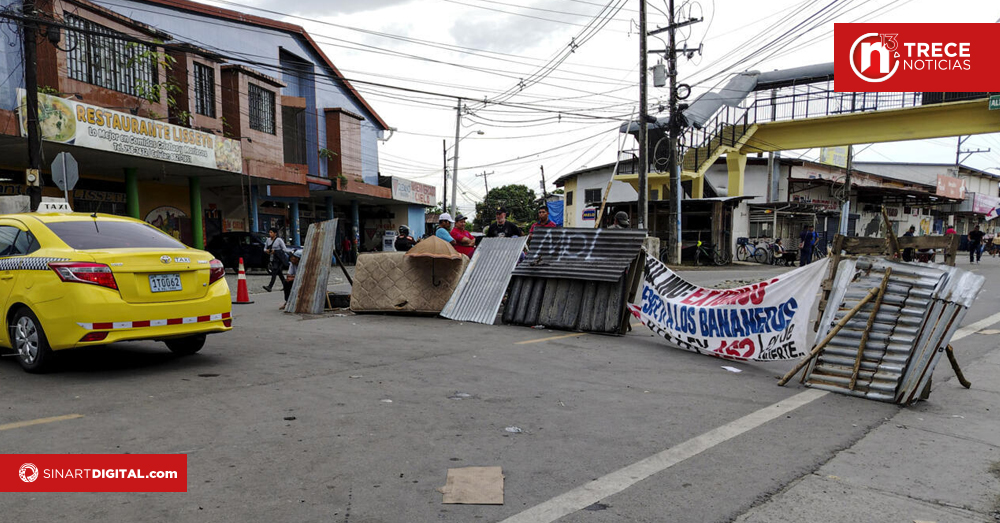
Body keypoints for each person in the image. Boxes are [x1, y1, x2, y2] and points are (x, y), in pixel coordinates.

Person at [263, 227, 287, 292]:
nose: (270, 234)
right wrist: (267, 251)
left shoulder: (279, 240)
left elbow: (285, 249)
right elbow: (264, 248)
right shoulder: (268, 240)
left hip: (279, 259)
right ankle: (286, 286)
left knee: (274, 272)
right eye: (269, 232)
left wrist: (276, 251)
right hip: (272, 258)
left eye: (271, 232)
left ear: (275, 233)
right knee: (279, 273)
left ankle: (270, 286)